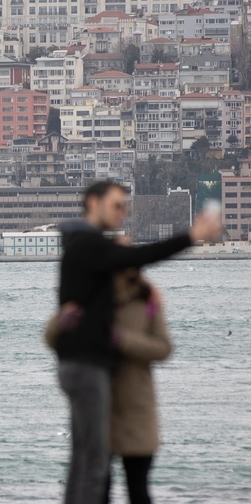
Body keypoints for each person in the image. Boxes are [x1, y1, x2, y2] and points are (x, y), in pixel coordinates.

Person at [53, 180, 220, 504]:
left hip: (80, 368)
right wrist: (191, 236)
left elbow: (76, 309)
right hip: (87, 367)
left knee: (85, 461)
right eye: (117, 205)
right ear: (92, 202)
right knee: (95, 465)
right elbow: (145, 254)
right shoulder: (89, 246)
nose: (122, 213)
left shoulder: (88, 259)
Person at [46, 268, 172, 504]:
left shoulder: (147, 301)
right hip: (98, 407)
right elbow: (51, 338)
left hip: (136, 408)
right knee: (98, 489)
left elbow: (164, 348)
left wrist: (123, 340)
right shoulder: (86, 298)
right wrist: (60, 324)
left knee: (138, 488)